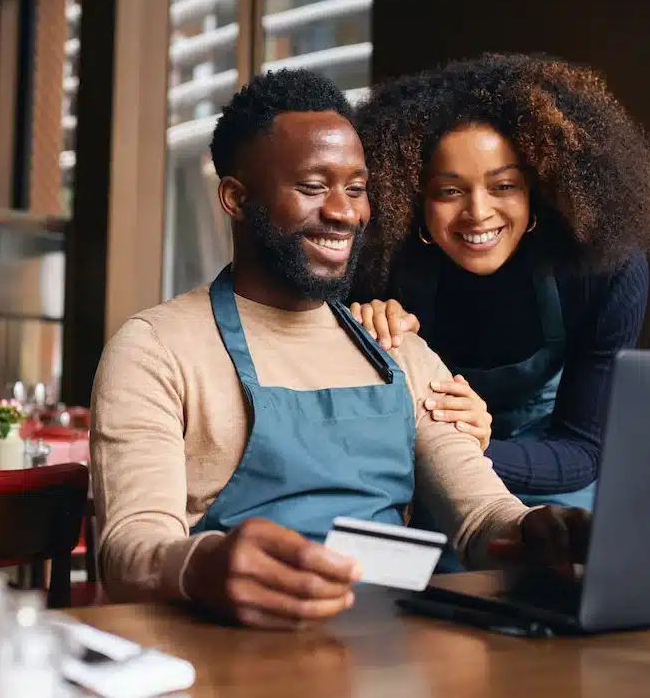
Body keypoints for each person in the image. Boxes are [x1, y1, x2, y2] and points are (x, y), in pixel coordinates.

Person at [89, 68, 588, 629]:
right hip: (226, 661)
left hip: (390, 665)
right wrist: (202, 565)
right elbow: (129, 549)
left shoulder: (396, 348)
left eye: (355, 189)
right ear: (235, 198)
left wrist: (539, 531)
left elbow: (481, 519)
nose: (344, 212)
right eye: (312, 187)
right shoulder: (157, 349)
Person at [348, 53, 650, 528]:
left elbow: (584, 449)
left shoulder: (602, 268)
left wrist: (479, 445)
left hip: (555, 472)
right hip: (429, 471)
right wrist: (363, 333)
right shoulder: (381, 266)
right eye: (449, 191)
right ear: (412, 198)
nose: (478, 213)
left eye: (503, 185)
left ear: (537, 188)